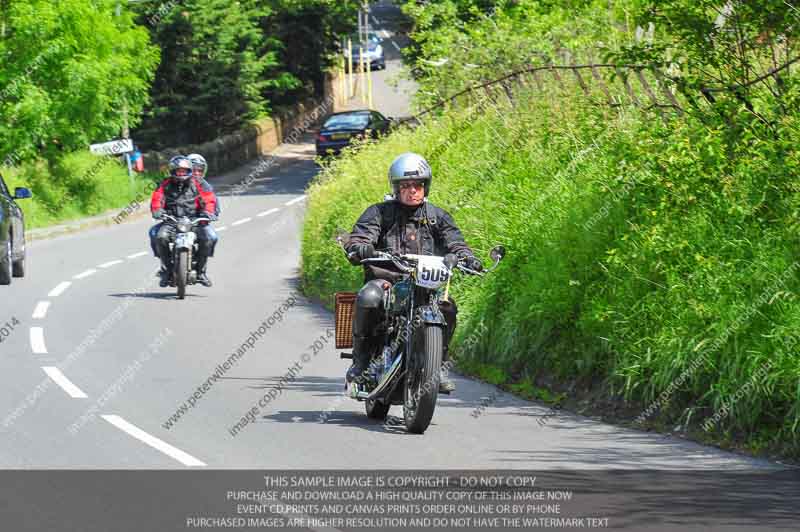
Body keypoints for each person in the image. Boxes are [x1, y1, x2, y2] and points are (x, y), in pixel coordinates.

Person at [343, 152, 483, 393]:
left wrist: (467, 257)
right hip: (386, 278)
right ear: (396, 188)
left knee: (447, 307)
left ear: (425, 187)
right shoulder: (379, 212)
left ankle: (436, 367)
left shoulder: (437, 216)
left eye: (417, 185)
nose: (412, 191)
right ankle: (361, 362)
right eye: (405, 186)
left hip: (424, 285)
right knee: (369, 297)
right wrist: (360, 246)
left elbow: (455, 242)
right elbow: (361, 235)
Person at [149, 155, 218, 288]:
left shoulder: (198, 183)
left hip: (194, 221)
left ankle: (200, 272)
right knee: (160, 237)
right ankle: (167, 271)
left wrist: (208, 212)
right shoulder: (165, 184)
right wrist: (157, 210)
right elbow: (157, 198)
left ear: (189, 171)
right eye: (179, 171)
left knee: (208, 238)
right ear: (172, 171)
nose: (181, 173)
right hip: (171, 220)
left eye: (184, 171)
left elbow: (209, 199)